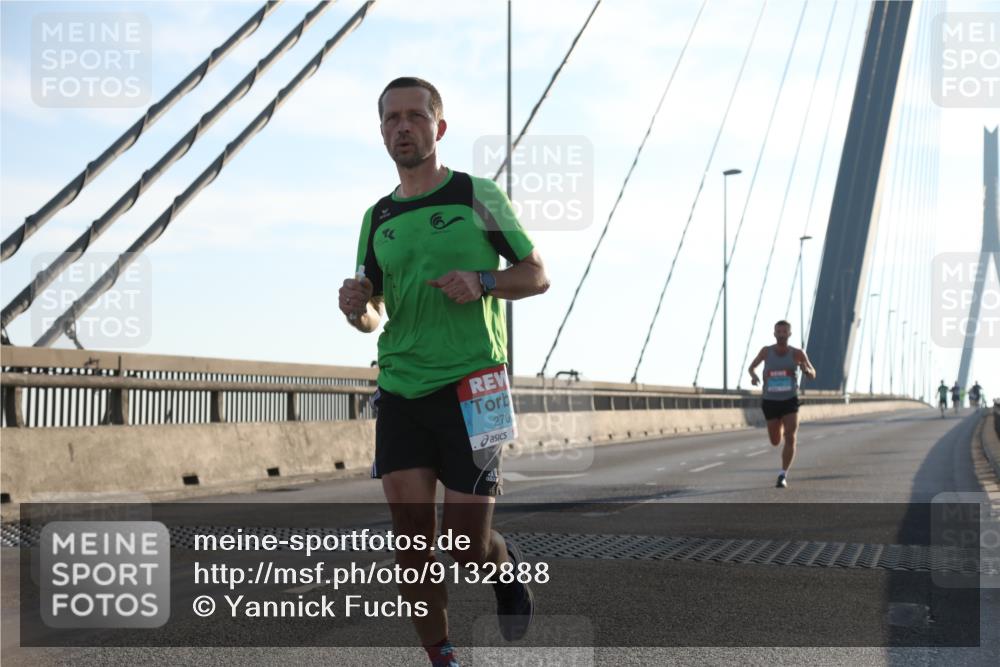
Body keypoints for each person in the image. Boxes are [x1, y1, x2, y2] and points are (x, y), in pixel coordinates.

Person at [339, 77, 549, 667]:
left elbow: (536, 274)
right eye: (391, 118)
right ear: (381, 131)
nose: (402, 127)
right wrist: (357, 309)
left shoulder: (477, 195)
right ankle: (443, 657)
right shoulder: (377, 217)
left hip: (475, 385)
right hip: (401, 388)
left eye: (414, 116)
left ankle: (502, 568)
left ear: (439, 127)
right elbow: (374, 315)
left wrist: (483, 281)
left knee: (465, 545)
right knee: (412, 545)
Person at [748, 320, 817, 488]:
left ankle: (783, 474)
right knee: (775, 440)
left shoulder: (797, 353)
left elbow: (813, 373)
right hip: (770, 401)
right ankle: (777, 426)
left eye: (784, 332)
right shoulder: (766, 351)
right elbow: (751, 367)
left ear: (789, 334)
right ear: (774, 334)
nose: (781, 335)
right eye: (778, 332)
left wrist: (807, 371)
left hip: (790, 401)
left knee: (790, 436)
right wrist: (754, 376)